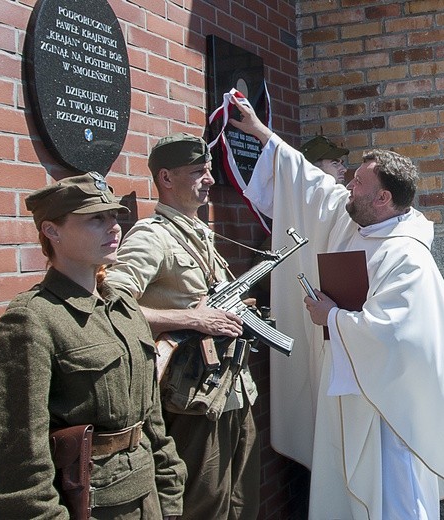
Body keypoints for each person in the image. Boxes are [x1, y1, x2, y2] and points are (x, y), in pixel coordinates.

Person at [229, 97, 444, 520]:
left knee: (392, 499)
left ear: (382, 198)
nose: (348, 187)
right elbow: (314, 186)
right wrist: (258, 131)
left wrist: (334, 319)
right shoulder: (360, 223)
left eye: (358, 183)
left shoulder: (406, 255)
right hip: (349, 393)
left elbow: (396, 336)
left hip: (387, 412)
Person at [0, 171, 186, 519]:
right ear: (52, 230)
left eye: (114, 216)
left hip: (147, 495)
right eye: (96, 219)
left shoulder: (123, 306)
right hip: (91, 504)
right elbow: (17, 458)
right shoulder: (32, 320)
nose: (114, 227)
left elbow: (151, 420)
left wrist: (170, 492)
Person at [105, 134, 260, 520]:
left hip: (232, 389)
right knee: (203, 505)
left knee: (242, 503)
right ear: (166, 178)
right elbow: (110, 305)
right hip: (193, 397)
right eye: (198, 171)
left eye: (209, 170)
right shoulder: (151, 235)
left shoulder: (200, 233)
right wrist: (192, 319)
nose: (208, 179)